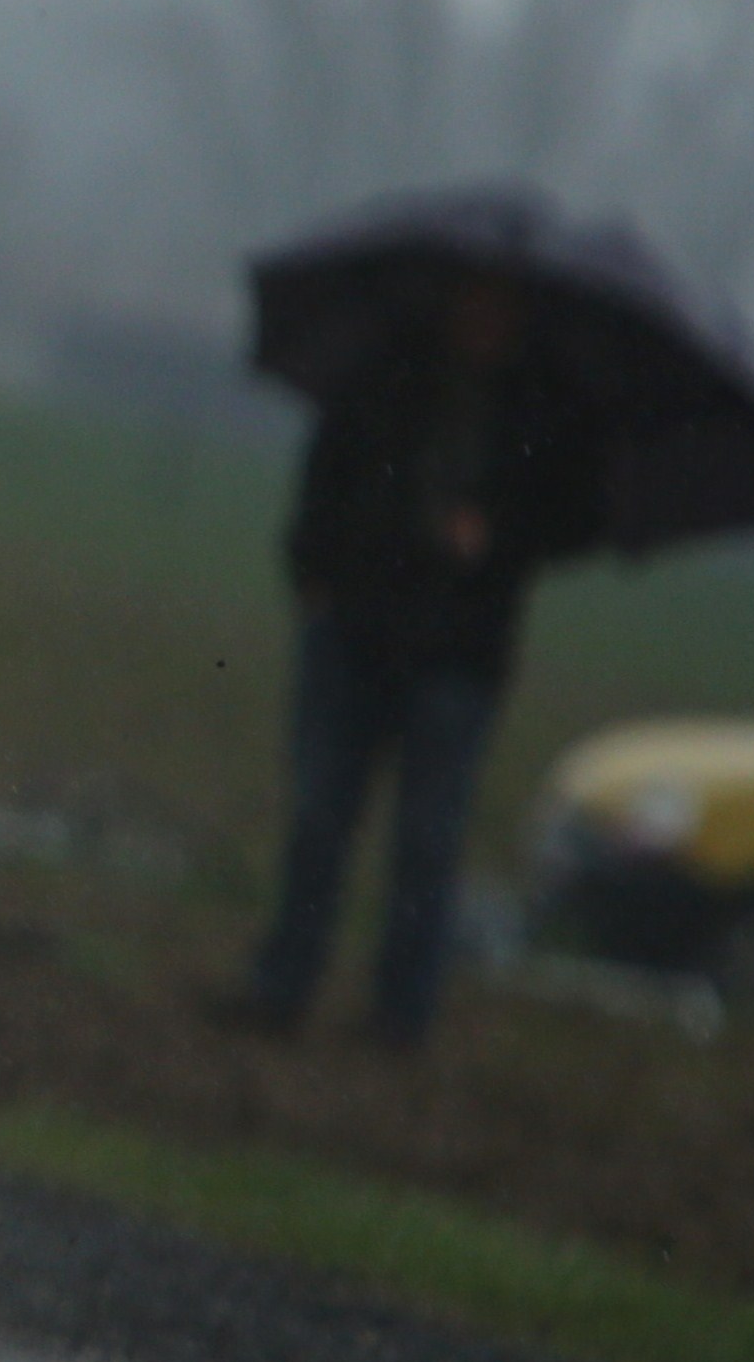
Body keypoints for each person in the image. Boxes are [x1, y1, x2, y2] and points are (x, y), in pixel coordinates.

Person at [229, 272, 602, 1048]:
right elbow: (327, 472)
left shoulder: (545, 409)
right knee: (318, 818)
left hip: (459, 653)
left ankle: (401, 1015)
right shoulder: (384, 376)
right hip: (355, 630)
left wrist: (497, 531)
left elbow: (570, 514)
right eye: (473, 297)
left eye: (499, 303)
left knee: (428, 841)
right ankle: (283, 982)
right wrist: (312, 573)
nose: (483, 315)